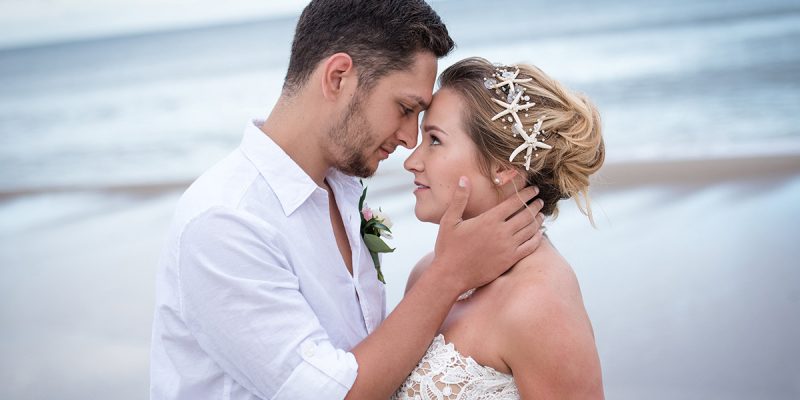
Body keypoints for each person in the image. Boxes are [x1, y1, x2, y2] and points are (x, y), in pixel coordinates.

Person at [149, 2, 545, 399]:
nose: (410, 138)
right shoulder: (226, 221)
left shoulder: (344, 185)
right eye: (405, 109)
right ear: (339, 77)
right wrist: (450, 275)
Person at [394, 57, 606, 399]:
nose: (411, 161)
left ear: (503, 167)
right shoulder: (427, 274)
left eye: (434, 140)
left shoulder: (539, 304)